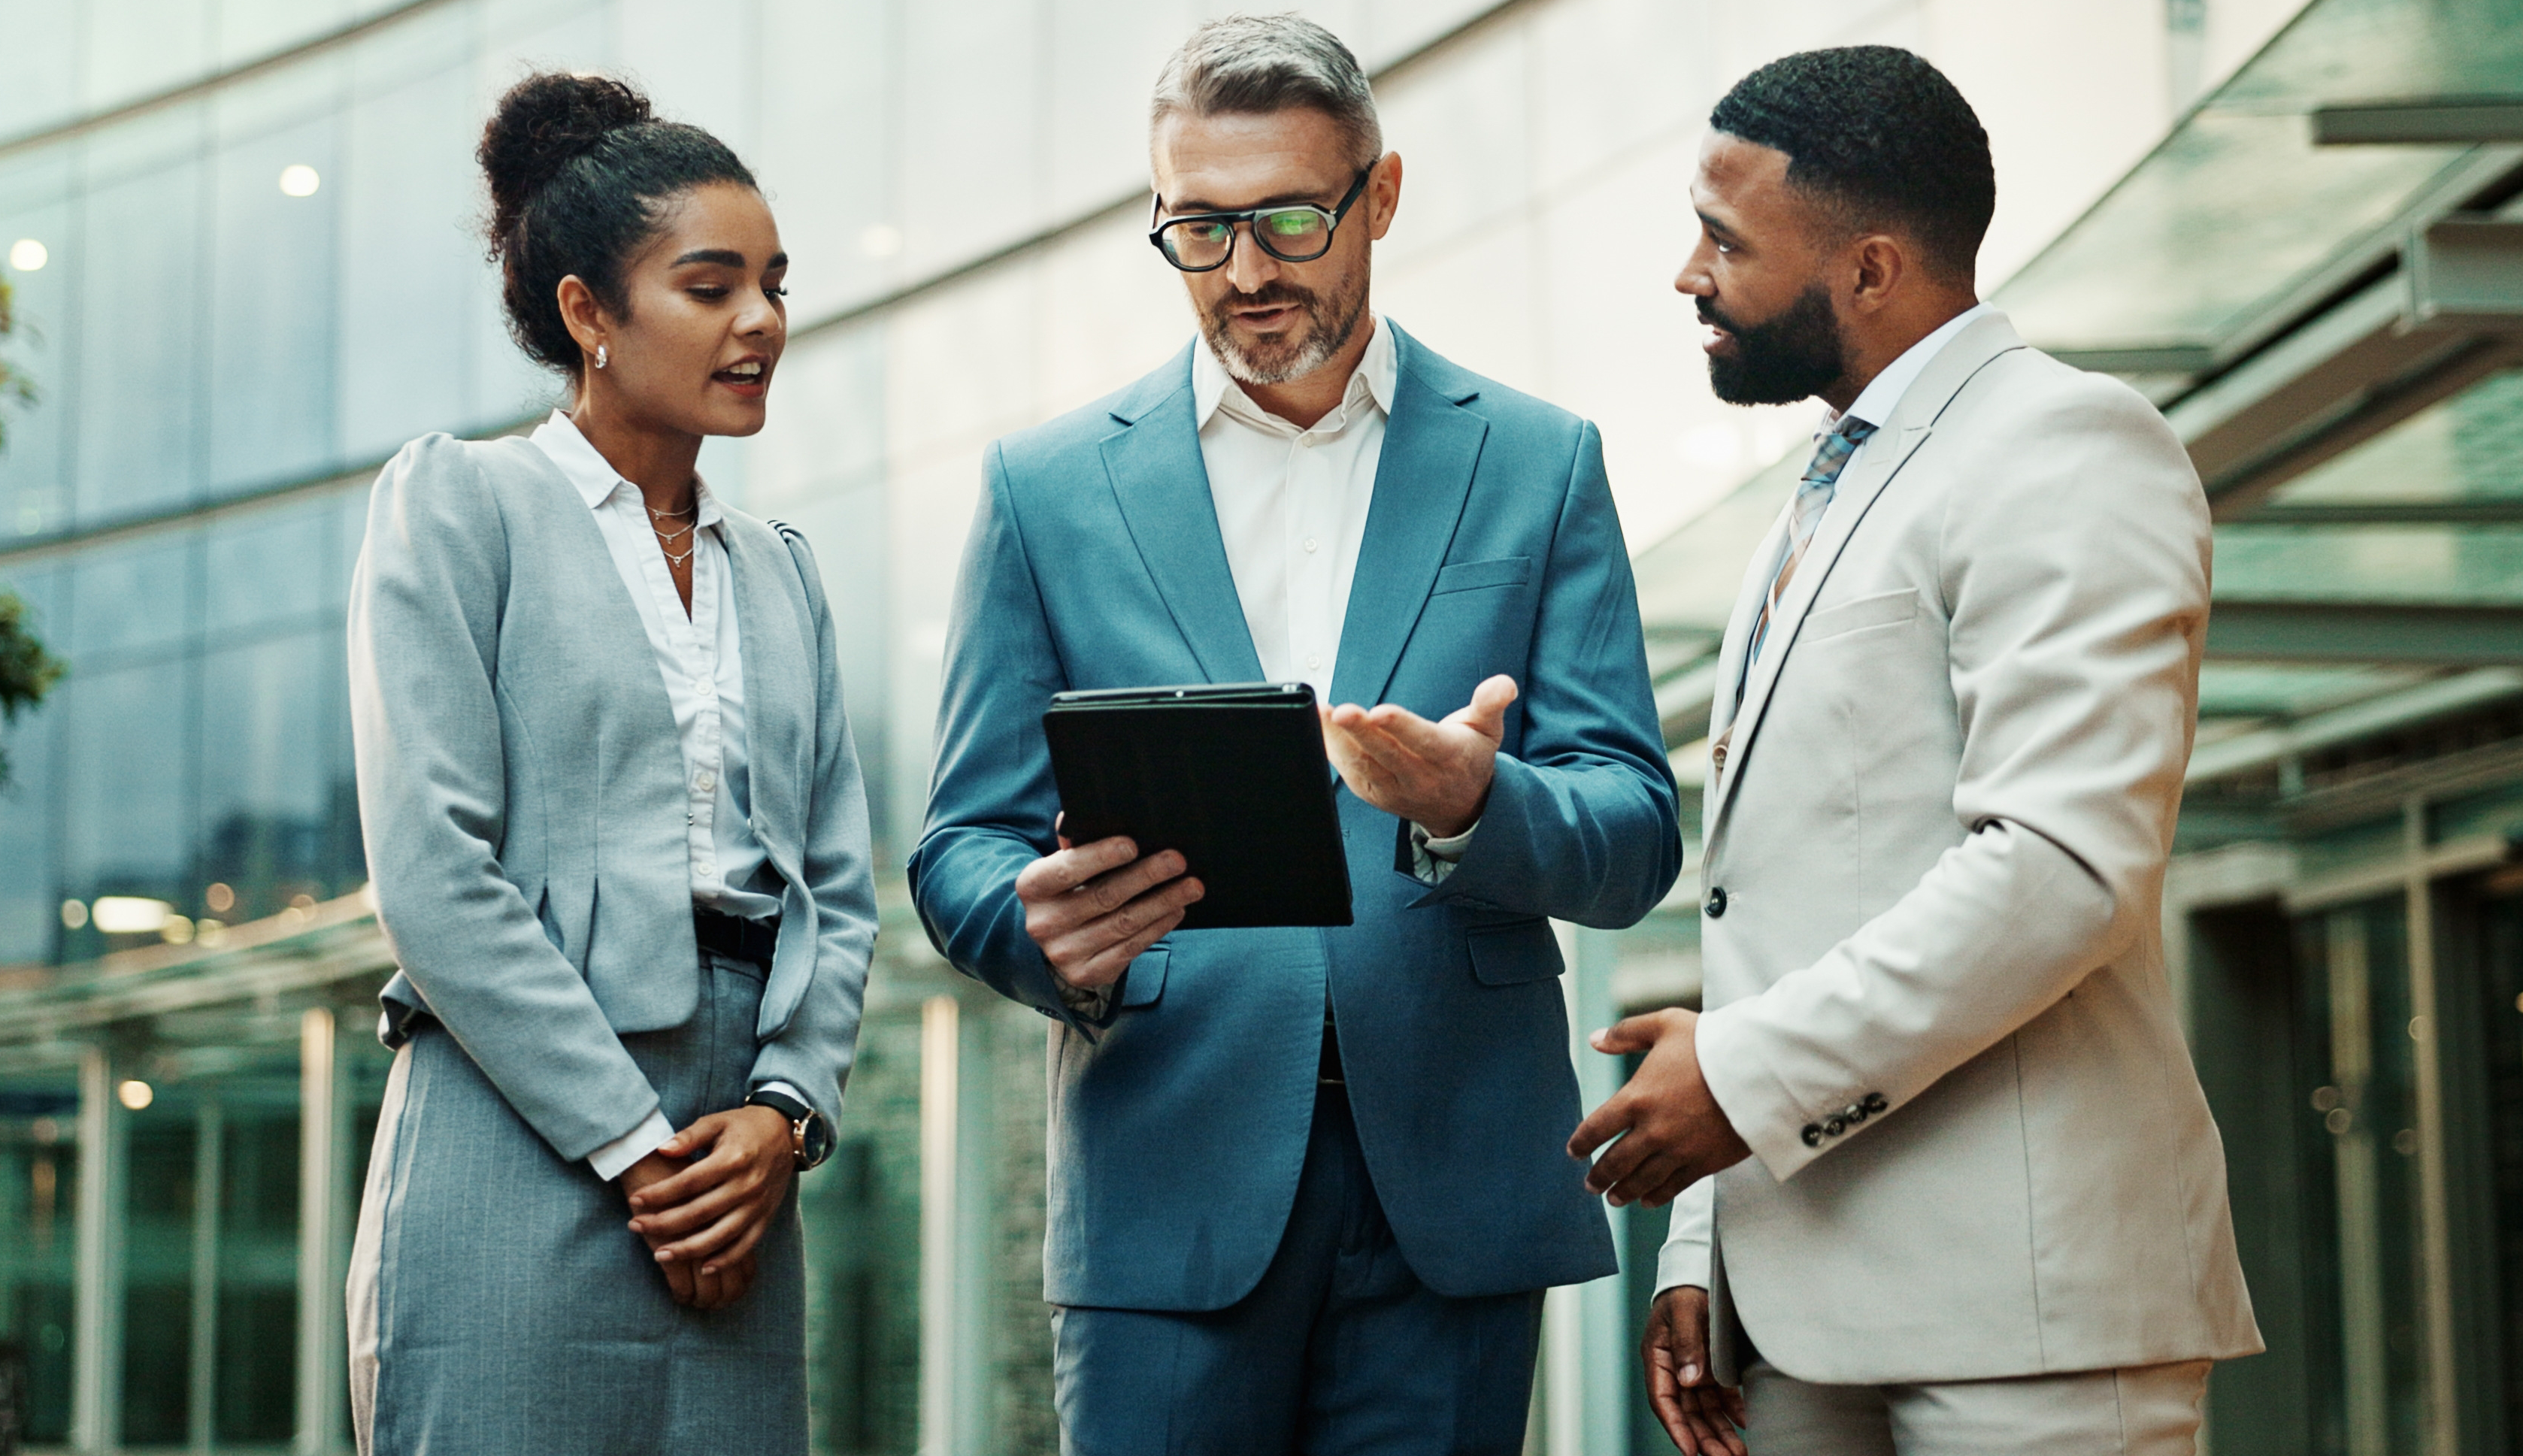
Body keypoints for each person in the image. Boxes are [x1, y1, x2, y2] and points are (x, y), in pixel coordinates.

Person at [910, 14, 1679, 1453]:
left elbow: (1634, 829)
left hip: (1451, 1188)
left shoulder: (1538, 464)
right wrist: (1034, 930)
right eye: (1198, 229)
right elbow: (961, 844)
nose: (1247, 271)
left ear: (1381, 198)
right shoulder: (1046, 490)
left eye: (1287, 218)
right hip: (1168, 1171)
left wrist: (1474, 804)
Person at [1566, 46, 2261, 1456]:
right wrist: (1708, 1247)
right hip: (1804, 1316)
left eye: (1725, 240)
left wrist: (1743, 1084)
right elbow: (1762, 914)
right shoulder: (1822, 492)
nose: (1688, 277)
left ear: (1871, 269)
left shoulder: (2066, 442)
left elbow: (2062, 866)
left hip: (2031, 1325)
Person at [342, 72, 875, 1455]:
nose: (760, 321)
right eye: (711, 287)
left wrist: (785, 1114)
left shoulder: (784, 573)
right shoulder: (461, 504)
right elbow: (434, 873)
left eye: (773, 284)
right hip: (521, 1129)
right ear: (587, 312)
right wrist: (636, 1150)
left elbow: (836, 884)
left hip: (737, 1168)